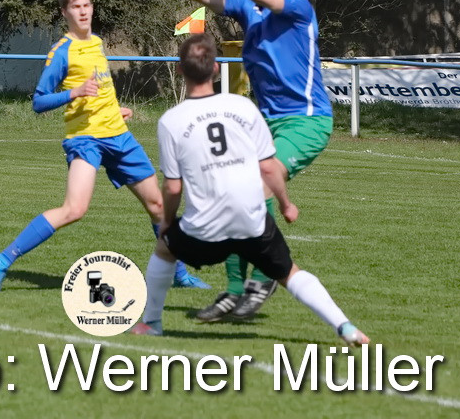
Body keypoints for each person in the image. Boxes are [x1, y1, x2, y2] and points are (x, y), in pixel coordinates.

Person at [131, 33, 367, 346]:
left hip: (206, 225)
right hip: (252, 220)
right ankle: (346, 327)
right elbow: (268, 167)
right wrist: (285, 204)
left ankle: (151, 323)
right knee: (289, 273)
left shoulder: (171, 121)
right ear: (216, 68)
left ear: (179, 69)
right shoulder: (243, 106)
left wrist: (167, 223)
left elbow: (173, 186)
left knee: (165, 250)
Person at [0, 0, 207, 292]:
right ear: (65, 12)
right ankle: (2, 259)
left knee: (158, 205)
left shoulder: (97, 42)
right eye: (76, 7)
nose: (83, 11)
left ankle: (179, 275)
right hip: (85, 139)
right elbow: (38, 101)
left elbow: (100, 90)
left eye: (87, 5)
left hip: (118, 136)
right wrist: (74, 92)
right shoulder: (62, 52)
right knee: (75, 209)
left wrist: (115, 109)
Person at [180, 0, 334, 321]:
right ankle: (234, 291)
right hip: (263, 123)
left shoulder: (299, 9)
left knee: (255, 188)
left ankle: (263, 277)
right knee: (235, 198)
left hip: (305, 122)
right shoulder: (251, 7)